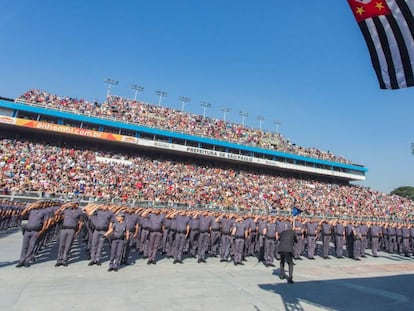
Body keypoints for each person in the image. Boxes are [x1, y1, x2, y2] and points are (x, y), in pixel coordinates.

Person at [55, 202, 84, 267]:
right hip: (64, 229)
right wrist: (63, 206)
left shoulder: (80, 212)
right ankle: (59, 260)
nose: (71, 205)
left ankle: (64, 260)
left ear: (76, 204)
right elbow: (56, 213)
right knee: (61, 245)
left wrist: (78, 231)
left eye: (72, 203)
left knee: (68, 245)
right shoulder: (66, 210)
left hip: (72, 230)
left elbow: (81, 222)